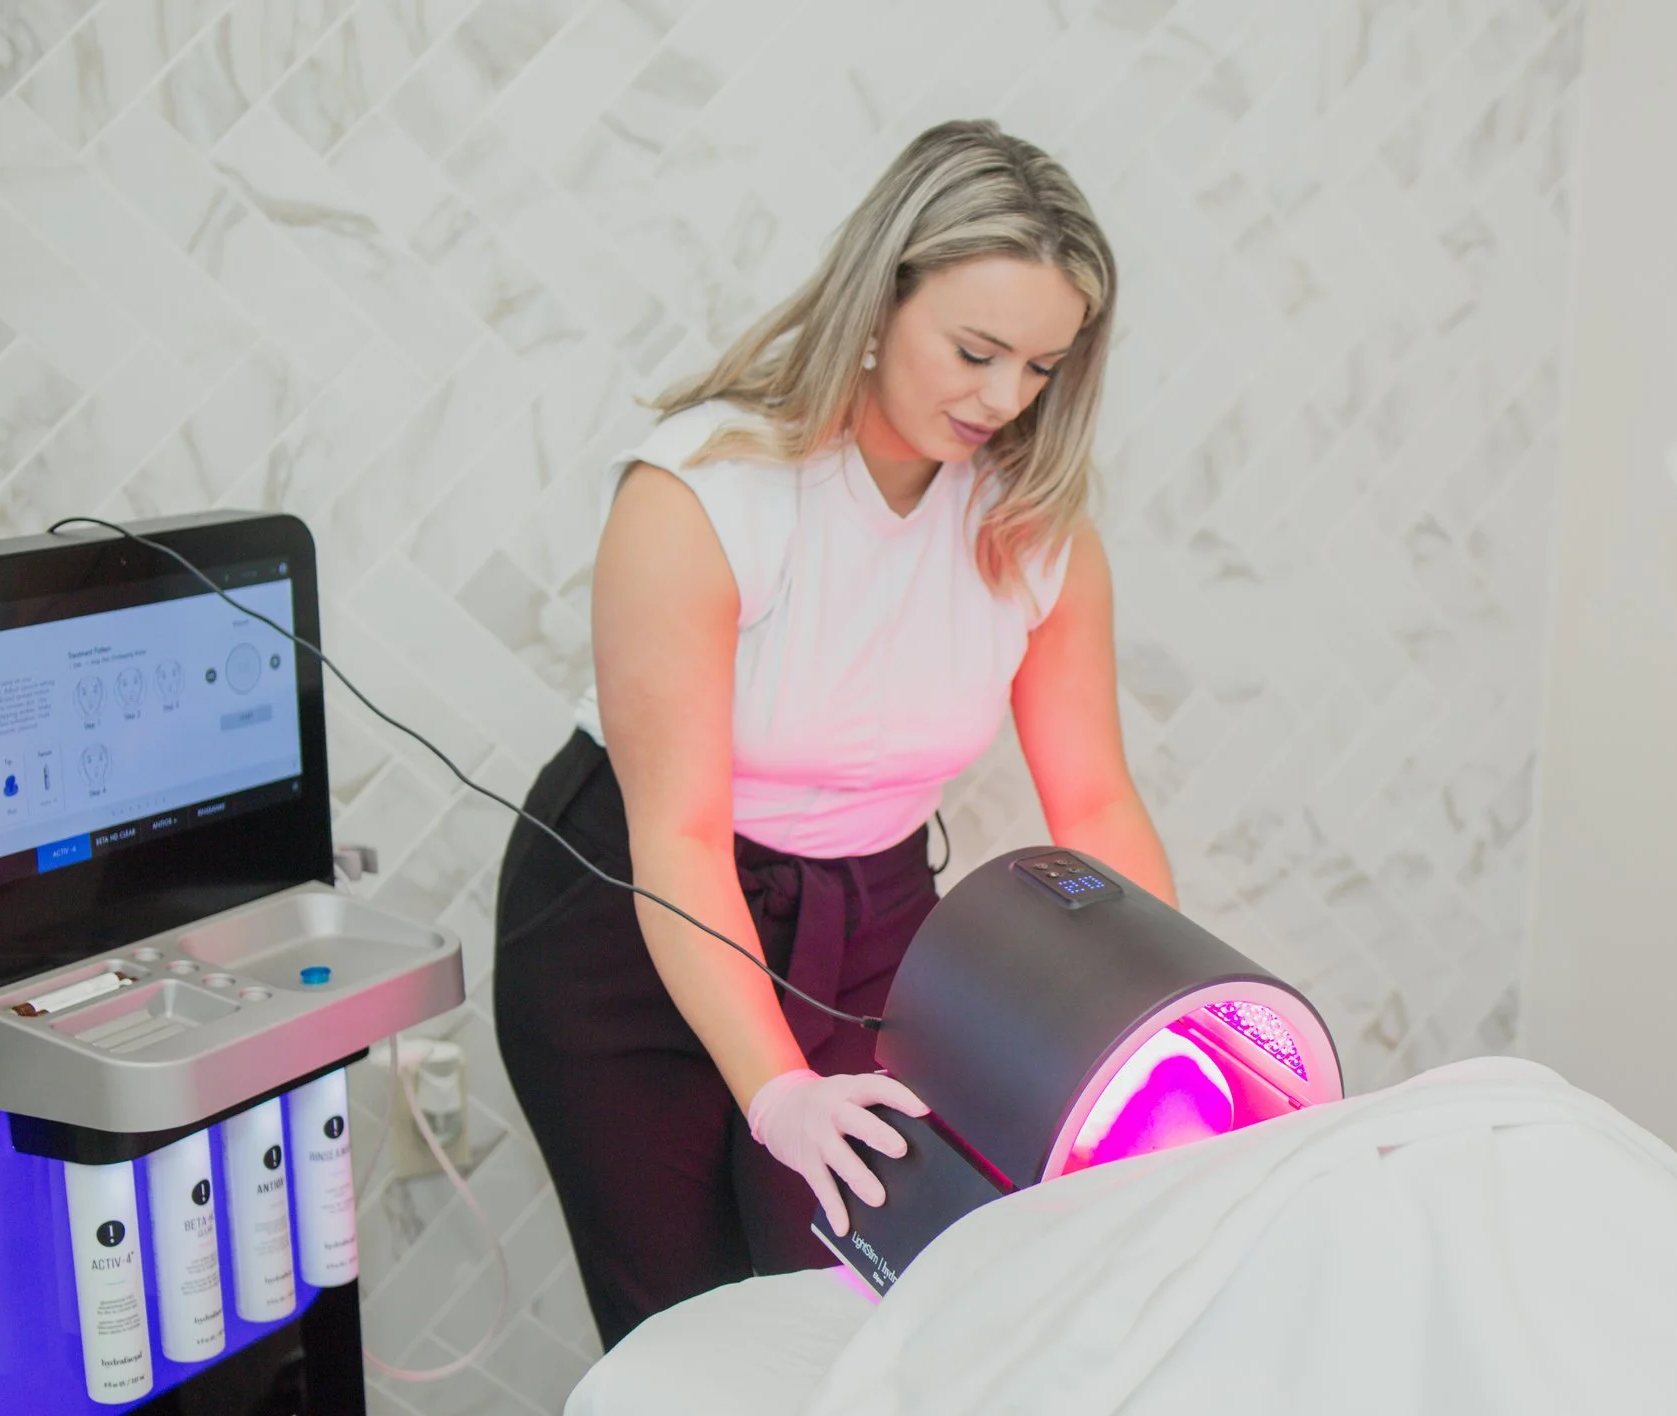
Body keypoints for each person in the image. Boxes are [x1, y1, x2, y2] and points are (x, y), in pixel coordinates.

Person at [493, 121, 1174, 1351]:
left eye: (1041, 367)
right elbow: (684, 836)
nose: (1003, 399)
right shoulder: (703, 495)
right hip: (629, 918)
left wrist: (1165, 1013)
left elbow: (1099, 806)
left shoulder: (1034, 531)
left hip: (873, 922)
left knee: (859, 1317)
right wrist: (780, 1089)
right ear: (879, 297)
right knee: (686, 1339)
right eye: (973, 351)